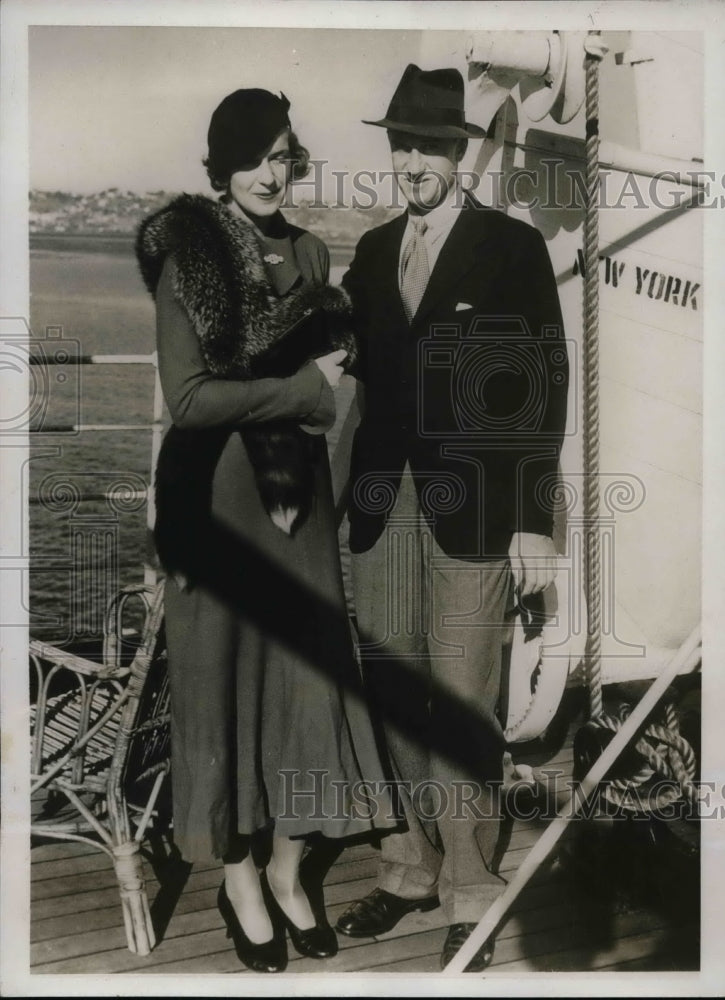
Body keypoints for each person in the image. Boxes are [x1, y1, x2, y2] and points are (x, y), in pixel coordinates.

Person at [136, 88, 394, 974]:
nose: (269, 174)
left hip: (302, 508)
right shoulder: (191, 256)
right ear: (221, 166)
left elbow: (338, 358)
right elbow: (192, 400)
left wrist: (345, 368)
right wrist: (311, 392)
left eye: (283, 155)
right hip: (218, 509)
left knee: (304, 689)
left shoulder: (315, 250)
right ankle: (239, 878)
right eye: (252, 157)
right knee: (226, 690)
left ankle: (290, 871)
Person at [335, 65, 569, 970]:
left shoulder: (508, 249)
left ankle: (469, 881)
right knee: (392, 687)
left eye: (427, 145)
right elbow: (348, 375)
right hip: (380, 506)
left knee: (464, 692)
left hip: (473, 510)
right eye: (399, 146)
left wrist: (534, 520)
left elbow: (540, 391)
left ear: (458, 153)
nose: (411, 162)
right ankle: (405, 866)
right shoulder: (368, 249)